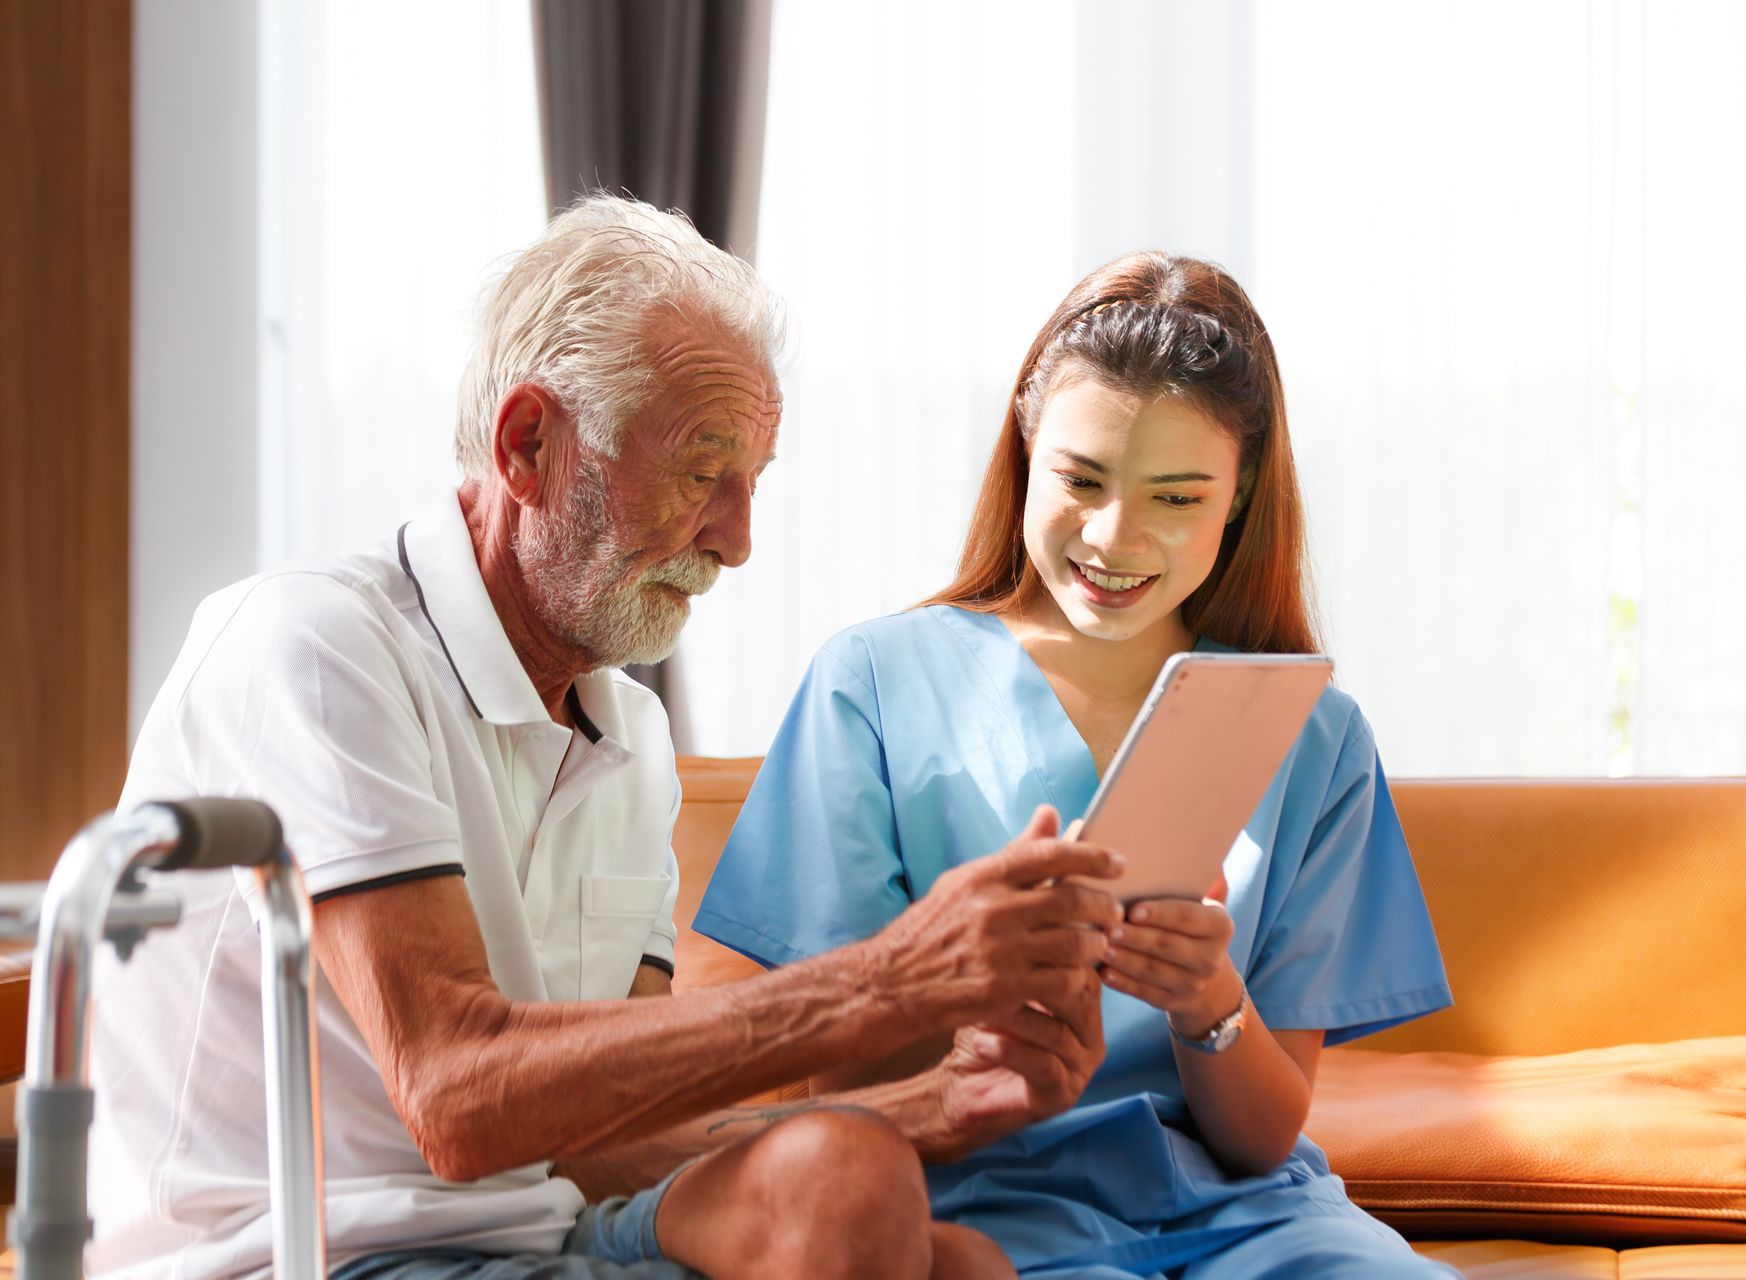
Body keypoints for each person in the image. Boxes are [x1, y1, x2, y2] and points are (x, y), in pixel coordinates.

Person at [88, 196, 1132, 1280]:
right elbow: (455, 1092)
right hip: (308, 1255)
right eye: (700, 471)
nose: (736, 541)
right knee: (850, 1185)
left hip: (533, 1234)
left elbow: (604, 1135)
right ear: (529, 444)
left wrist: (934, 1104)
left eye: (751, 485)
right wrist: (892, 979)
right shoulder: (318, 645)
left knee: (942, 1242)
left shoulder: (626, 727)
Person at [694, 252, 1457, 1278]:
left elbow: (1265, 1135)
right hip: (988, 1205)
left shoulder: (1311, 731)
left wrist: (1209, 1000)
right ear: (1025, 446)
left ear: (1236, 501)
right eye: (1080, 479)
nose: (1114, 536)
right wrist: (965, 979)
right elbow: (828, 1082)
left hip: (1255, 1220)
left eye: (1177, 498)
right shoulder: (874, 683)